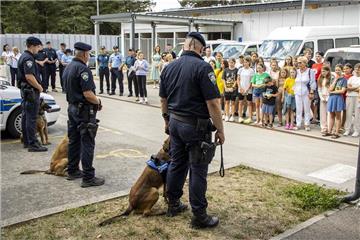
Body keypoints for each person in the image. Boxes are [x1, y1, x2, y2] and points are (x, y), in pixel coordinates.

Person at [159, 32, 224, 229]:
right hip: (195, 126)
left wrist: (166, 120)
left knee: (177, 163)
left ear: (186, 45)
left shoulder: (169, 67)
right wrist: (220, 130)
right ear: (199, 48)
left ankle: (173, 203)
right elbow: (213, 103)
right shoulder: (203, 68)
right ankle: (199, 215)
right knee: (197, 169)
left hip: (175, 123)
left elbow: (163, 99)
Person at [63, 42, 105, 187]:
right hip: (84, 111)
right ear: (85, 54)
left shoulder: (68, 67)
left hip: (72, 108)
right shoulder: (83, 69)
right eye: (89, 55)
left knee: (74, 140)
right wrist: (98, 101)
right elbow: (88, 94)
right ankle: (88, 177)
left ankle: (73, 170)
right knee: (87, 142)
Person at [17, 37, 47, 152]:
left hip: (26, 92)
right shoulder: (28, 58)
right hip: (31, 92)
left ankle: (26, 140)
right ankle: (33, 144)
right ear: (33, 46)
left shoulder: (24, 57)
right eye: (38, 47)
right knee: (31, 118)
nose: (39, 50)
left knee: (26, 117)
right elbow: (29, 77)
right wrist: (39, 87)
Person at [323, 64, 347, 139]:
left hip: (338, 98)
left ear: (342, 70)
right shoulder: (333, 78)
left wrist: (333, 92)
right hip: (332, 98)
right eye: (336, 70)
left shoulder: (344, 80)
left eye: (339, 70)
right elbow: (330, 89)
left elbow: (342, 91)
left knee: (338, 116)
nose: (337, 71)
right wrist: (336, 80)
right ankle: (330, 131)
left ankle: (336, 132)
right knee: (331, 115)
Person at [293, 56, 316, 131]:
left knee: (306, 109)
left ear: (305, 63)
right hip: (297, 92)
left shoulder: (310, 71)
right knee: (298, 109)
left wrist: (312, 92)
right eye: (298, 62)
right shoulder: (297, 71)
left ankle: (307, 124)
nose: (298, 64)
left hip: (306, 92)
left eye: (300, 62)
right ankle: (298, 124)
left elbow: (312, 82)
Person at [344, 63, 360, 137]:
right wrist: (357, 88)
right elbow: (348, 88)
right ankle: (347, 129)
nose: (357, 70)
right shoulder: (351, 78)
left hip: (358, 97)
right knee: (348, 114)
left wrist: (353, 88)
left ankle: (356, 130)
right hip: (349, 96)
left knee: (357, 115)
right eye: (356, 69)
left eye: (359, 69)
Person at [237, 56, 254, 124]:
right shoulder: (240, 70)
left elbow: (252, 81)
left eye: (246, 62)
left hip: (248, 90)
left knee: (249, 103)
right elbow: (238, 79)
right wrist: (240, 87)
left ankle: (250, 117)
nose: (245, 63)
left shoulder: (251, 70)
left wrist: (248, 89)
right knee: (240, 103)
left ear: (249, 62)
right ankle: (240, 117)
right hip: (241, 89)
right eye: (244, 62)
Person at [222, 58, 238, 122]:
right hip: (226, 88)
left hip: (233, 89)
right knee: (227, 102)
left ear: (234, 63)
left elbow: (237, 79)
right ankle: (227, 115)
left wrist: (233, 87)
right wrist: (225, 87)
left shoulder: (236, 70)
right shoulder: (225, 70)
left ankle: (232, 116)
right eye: (229, 62)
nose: (231, 64)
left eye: (232, 62)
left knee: (233, 103)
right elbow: (223, 79)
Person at [318, 66, 331, 133]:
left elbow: (331, 89)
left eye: (324, 71)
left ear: (328, 71)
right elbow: (319, 89)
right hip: (322, 97)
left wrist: (328, 97)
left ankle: (329, 127)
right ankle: (323, 127)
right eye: (322, 71)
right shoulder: (320, 79)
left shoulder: (330, 79)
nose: (323, 73)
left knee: (329, 113)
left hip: (329, 97)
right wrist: (322, 98)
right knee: (322, 113)